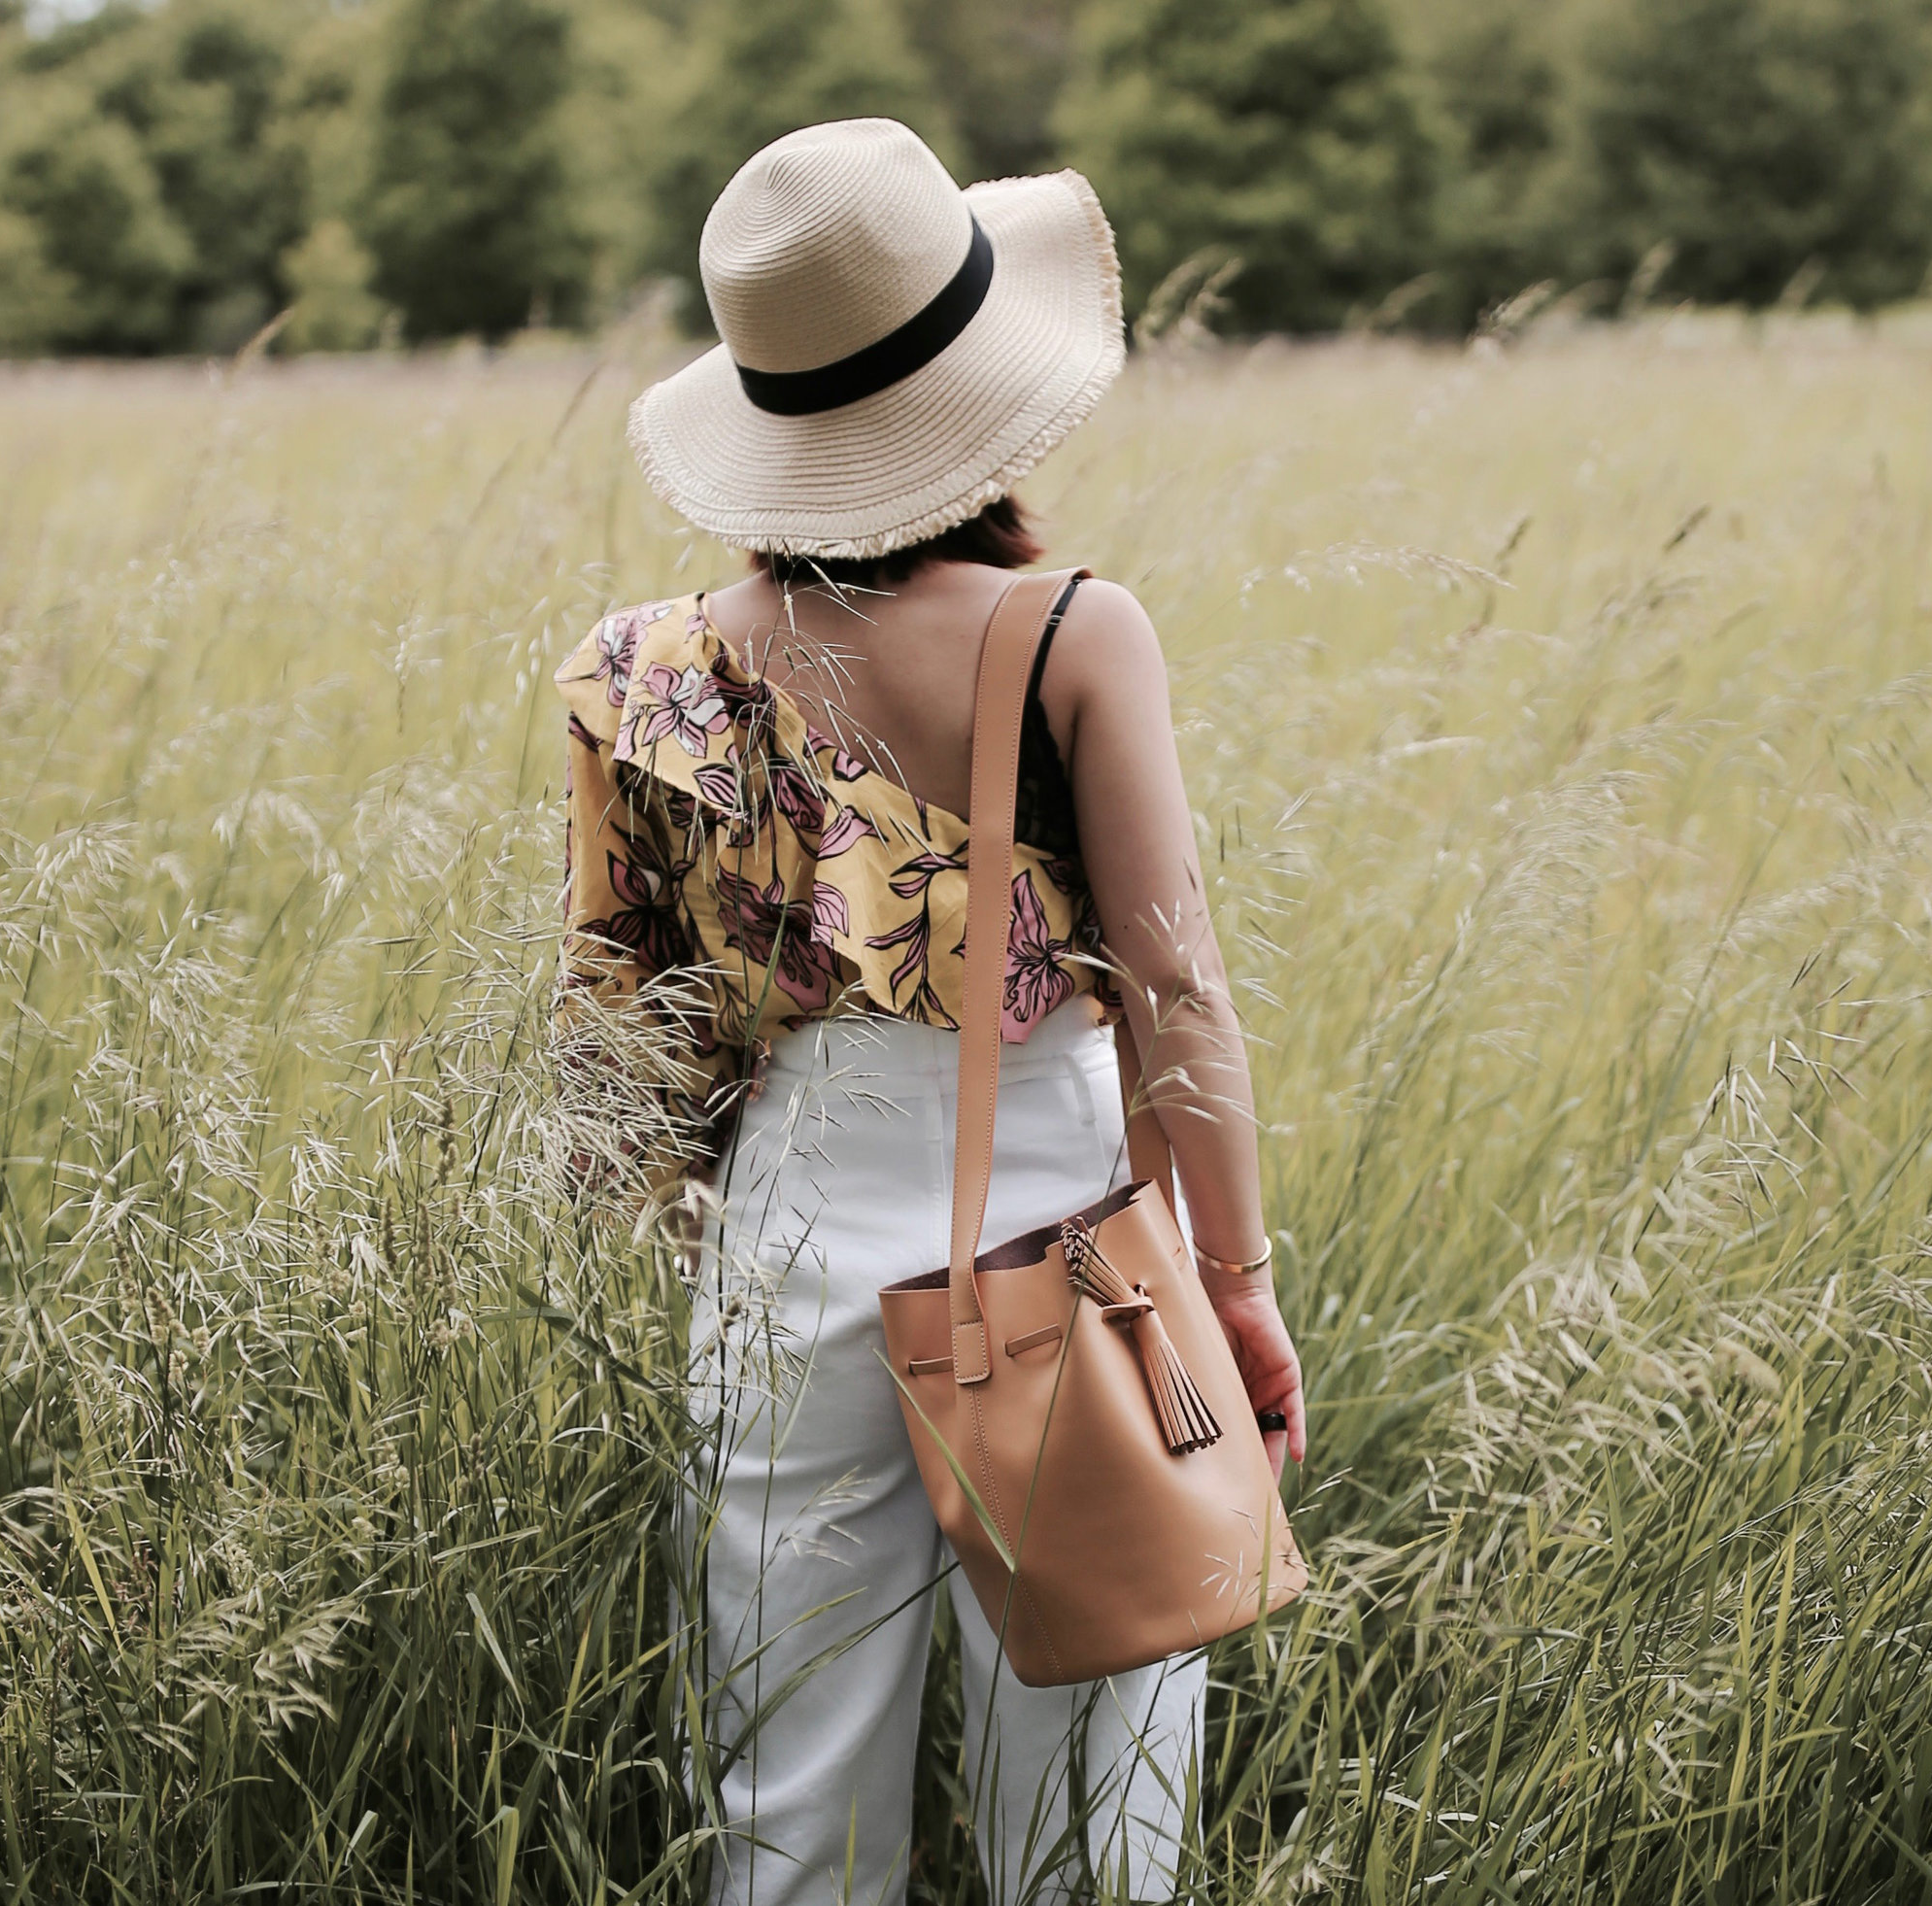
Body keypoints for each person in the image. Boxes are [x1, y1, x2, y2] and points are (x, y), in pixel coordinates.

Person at [556, 118, 1305, 1906]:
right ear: (978, 387)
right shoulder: (1071, 633)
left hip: (783, 1231)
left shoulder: (641, 668)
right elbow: (1178, 984)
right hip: (1061, 1223)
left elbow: (616, 1034)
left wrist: (718, 1241)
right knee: (1095, 1782)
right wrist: (1241, 1278)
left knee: (786, 1785)